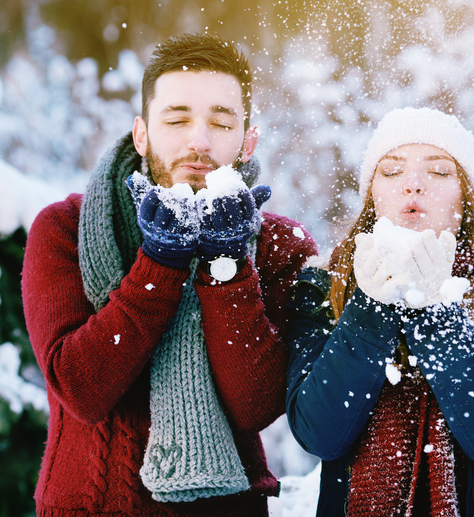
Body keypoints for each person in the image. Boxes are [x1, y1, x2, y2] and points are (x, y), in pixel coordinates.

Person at [22, 32, 317, 517]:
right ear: (142, 133)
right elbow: (81, 389)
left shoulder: (277, 244)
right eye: (177, 119)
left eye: (220, 123)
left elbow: (256, 405)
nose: (198, 142)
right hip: (89, 506)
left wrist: (227, 266)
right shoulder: (64, 230)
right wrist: (161, 263)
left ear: (248, 140)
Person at [286, 107, 474, 517]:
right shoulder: (322, 289)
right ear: (372, 194)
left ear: (466, 196)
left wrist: (435, 310)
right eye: (392, 171)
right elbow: (320, 433)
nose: (413, 185)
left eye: (439, 171)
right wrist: (371, 304)